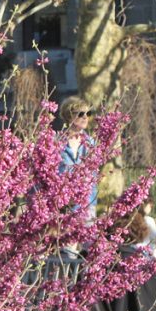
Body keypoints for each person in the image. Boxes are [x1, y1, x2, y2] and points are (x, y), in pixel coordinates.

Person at [58, 96, 98, 225]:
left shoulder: (91, 143)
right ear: (69, 116)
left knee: (88, 241)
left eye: (88, 113)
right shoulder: (55, 142)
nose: (86, 117)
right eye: (81, 114)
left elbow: (93, 175)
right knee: (66, 244)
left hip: (86, 203)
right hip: (62, 203)